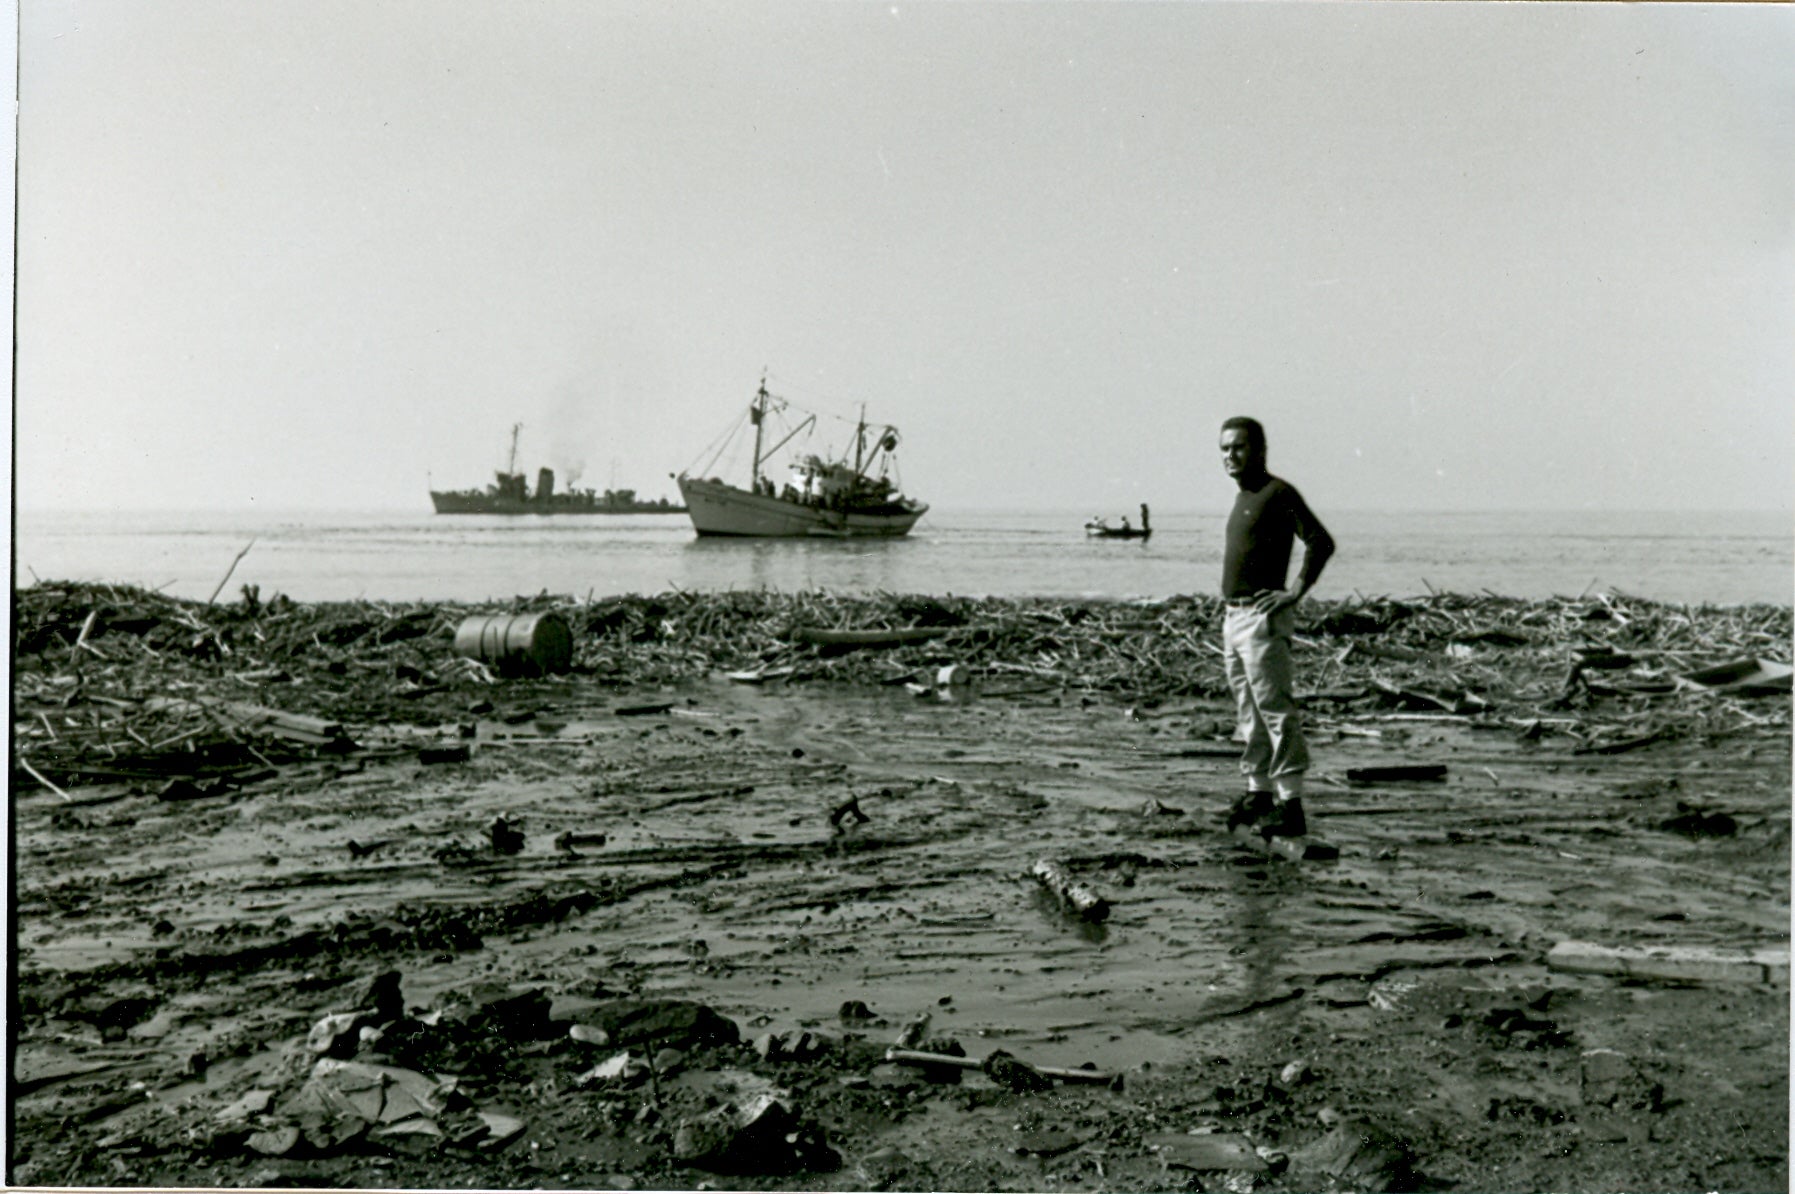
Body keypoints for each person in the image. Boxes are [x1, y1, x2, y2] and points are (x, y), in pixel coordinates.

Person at [1217, 416, 1334, 837]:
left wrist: (1294, 592)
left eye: (1239, 447)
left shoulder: (1278, 493)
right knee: (1248, 710)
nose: (1230, 456)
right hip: (1235, 617)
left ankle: (1291, 804)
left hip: (1262, 618)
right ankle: (1258, 792)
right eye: (1224, 449)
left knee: (1275, 709)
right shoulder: (1243, 497)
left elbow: (1320, 541)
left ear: (1260, 449)